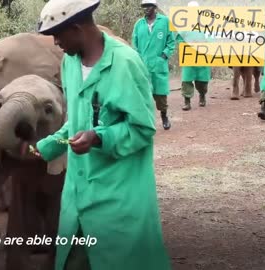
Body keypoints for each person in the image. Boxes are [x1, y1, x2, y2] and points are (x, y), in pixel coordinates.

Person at [33, 0, 172, 269]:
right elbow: (78, 120)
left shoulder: (125, 64)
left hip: (118, 196)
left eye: (58, 35)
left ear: (77, 28)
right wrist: (51, 144)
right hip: (77, 194)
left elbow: (143, 129)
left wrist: (99, 137)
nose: (56, 43)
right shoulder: (69, 64)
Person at [132, 0, 175, 129]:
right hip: (143, 65)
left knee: (161, 95)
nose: (146, 9)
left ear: (155, 7)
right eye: (144, 6)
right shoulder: (139, 24)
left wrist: (164, 55)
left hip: (159, 64)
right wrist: (137, 59)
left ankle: (164, 116)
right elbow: (135, 44)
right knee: (143, 95)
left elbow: (171, 42)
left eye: (149, 6)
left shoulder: (165, 22)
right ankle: (147, 122)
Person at [174, 0, 212, 110]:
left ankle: (202, 95)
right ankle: (187, 101)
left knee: (202, 81)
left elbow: (211, 38)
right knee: (186, 80)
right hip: (189, 56)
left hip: (202, 56)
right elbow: (179, 39)